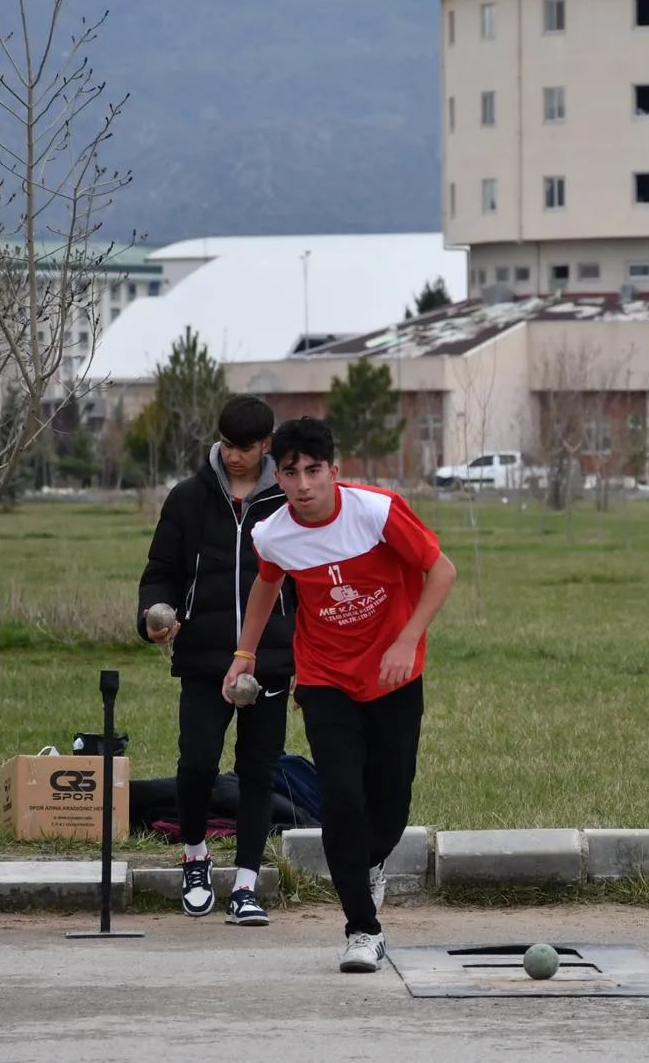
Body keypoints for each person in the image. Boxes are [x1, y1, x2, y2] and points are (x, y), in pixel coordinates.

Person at [226, 416, 456, 973]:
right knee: (341, 798)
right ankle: (362, 929)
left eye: (313, 471)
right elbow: (266, 585)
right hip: (325, 679)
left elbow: (442, 571)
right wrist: (244, 653)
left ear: (335, 469)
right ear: (276, 476)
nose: (303, 485)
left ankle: (369, 862)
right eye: (290, 473)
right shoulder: (273, 533)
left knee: (391, 803)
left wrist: (406, 640)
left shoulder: (376, 512)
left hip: (394, 675)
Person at [137, 394, 297, 926]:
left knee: (258, 771)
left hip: (270, 661)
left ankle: (247, 883)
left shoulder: (287, 503)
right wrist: (151, 617)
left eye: (244, 447)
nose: (233, 455)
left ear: (266, 445)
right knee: (197, 764)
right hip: (204, 659)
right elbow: (161, 573)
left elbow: (307, 579)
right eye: (227, 444)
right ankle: (195, 858)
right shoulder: (187, 498)